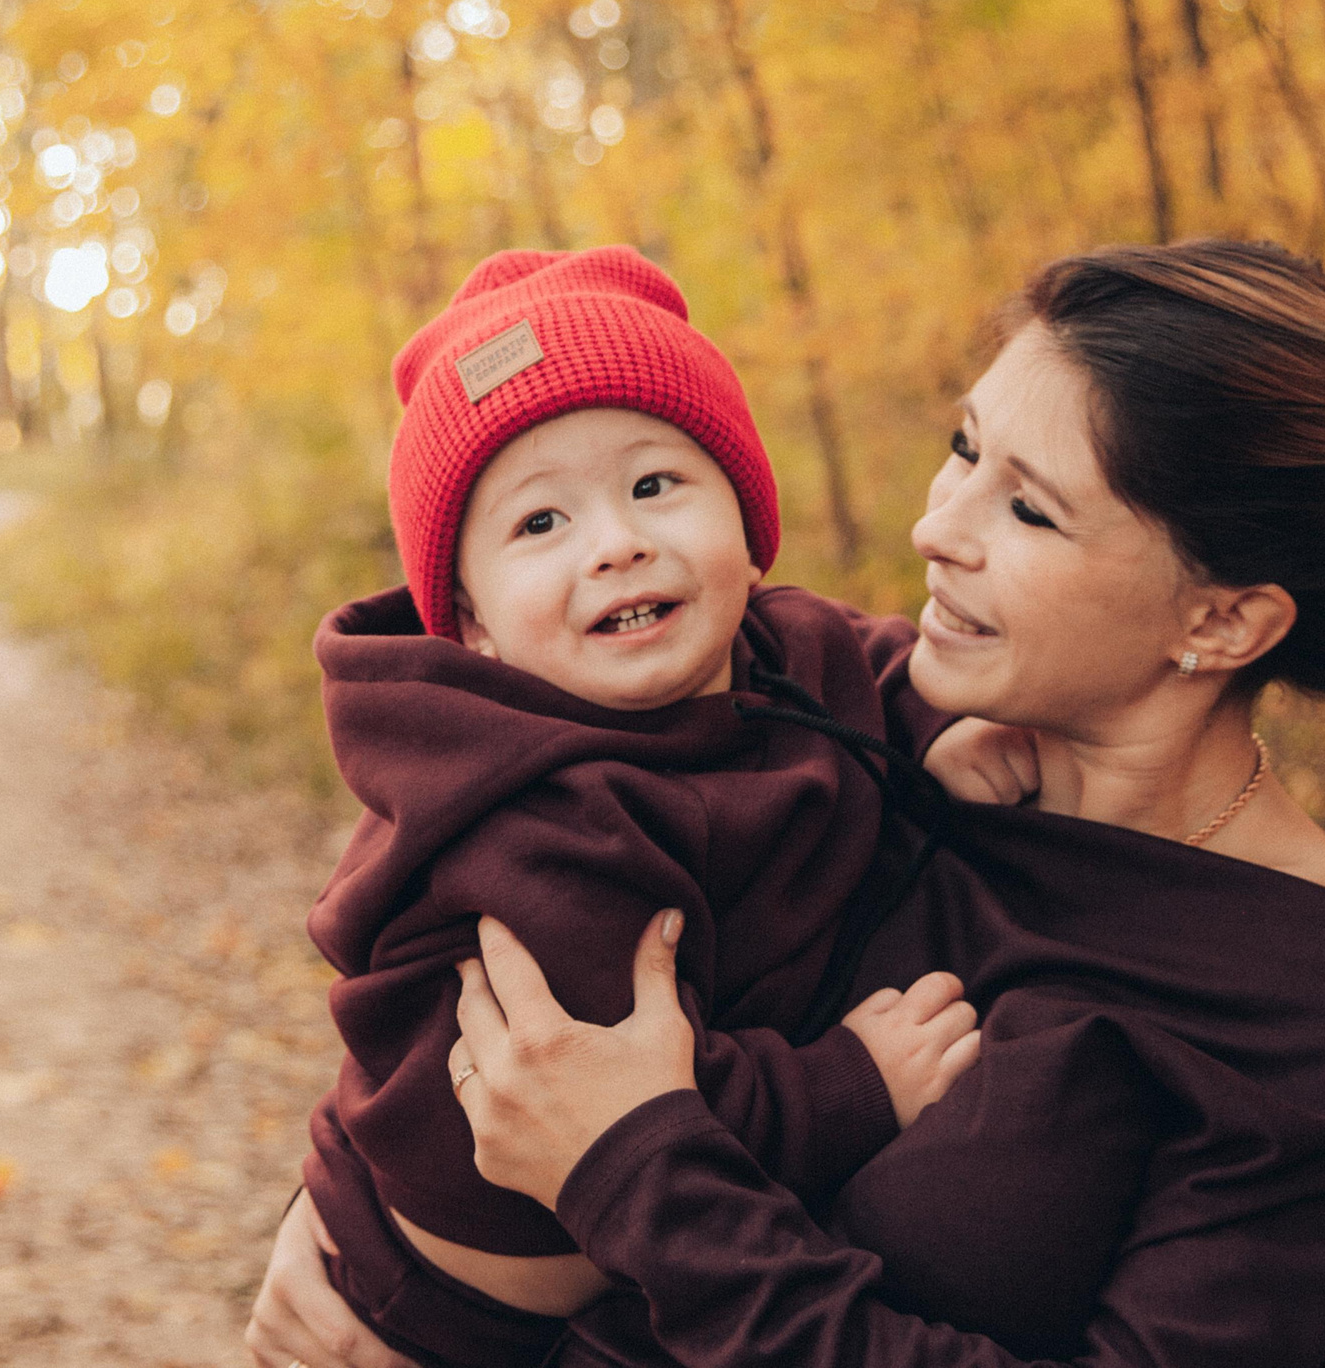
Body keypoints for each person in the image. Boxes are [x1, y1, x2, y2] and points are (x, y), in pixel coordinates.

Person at [251, 239, 1325, 1368]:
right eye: (963, 449)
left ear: (1223, 617)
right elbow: (509, 940)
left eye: (1027, 507)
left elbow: (605, 1114)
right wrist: (347, 1210)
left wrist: (636, 1166)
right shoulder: (879, 744)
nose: (933, 526)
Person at [298, 246, 1026, 1367]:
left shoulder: (788, 649)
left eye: (654, 486)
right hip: (467, 1296)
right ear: (473, 623)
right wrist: (843, 1088)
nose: (616, 542)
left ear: (744, 522)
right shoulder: (537, 828)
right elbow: (605, 1084)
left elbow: (874, 671)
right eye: (540, 525)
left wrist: (948, 724)